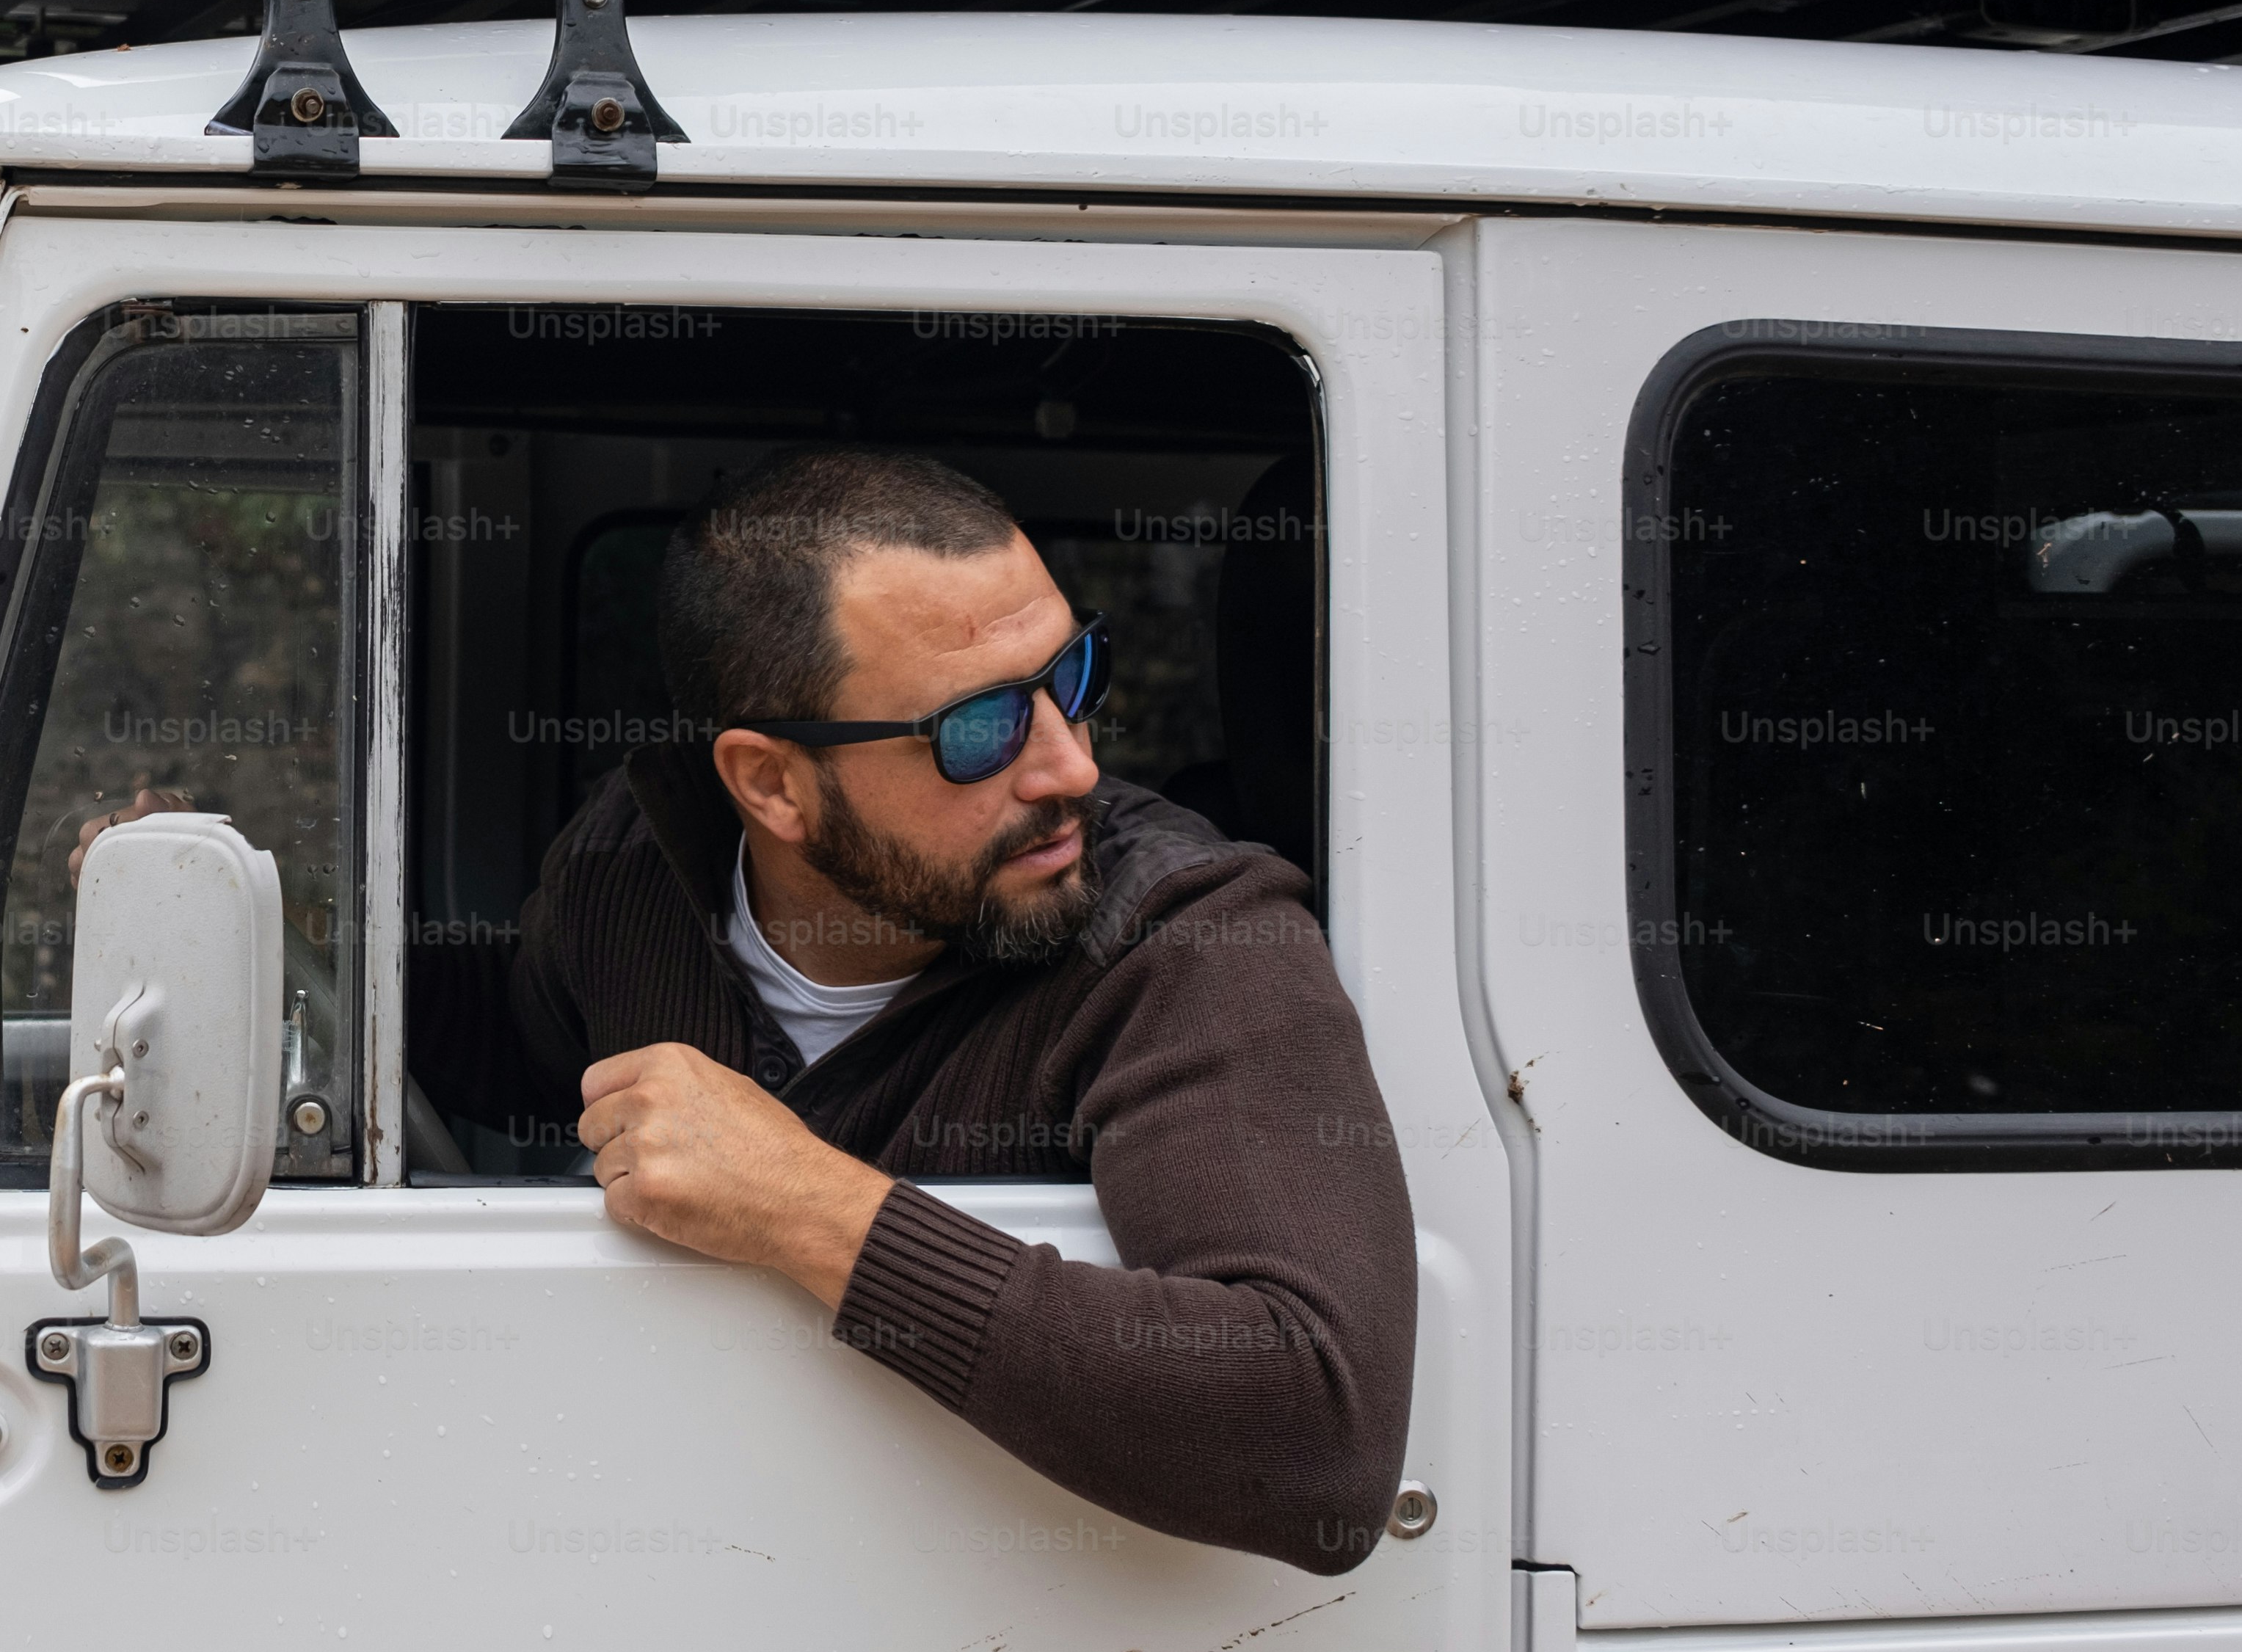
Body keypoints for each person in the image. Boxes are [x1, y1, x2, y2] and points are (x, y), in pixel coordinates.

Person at [91, 448, 1416, 1576]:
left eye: (1074, 683)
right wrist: (285, 933)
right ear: (771, 788)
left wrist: (808, 1208)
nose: (1070, 764)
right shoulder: (636, 869)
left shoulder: (1190, 941)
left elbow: (1313, 1434)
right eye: (980, 732)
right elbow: (531, 1044)